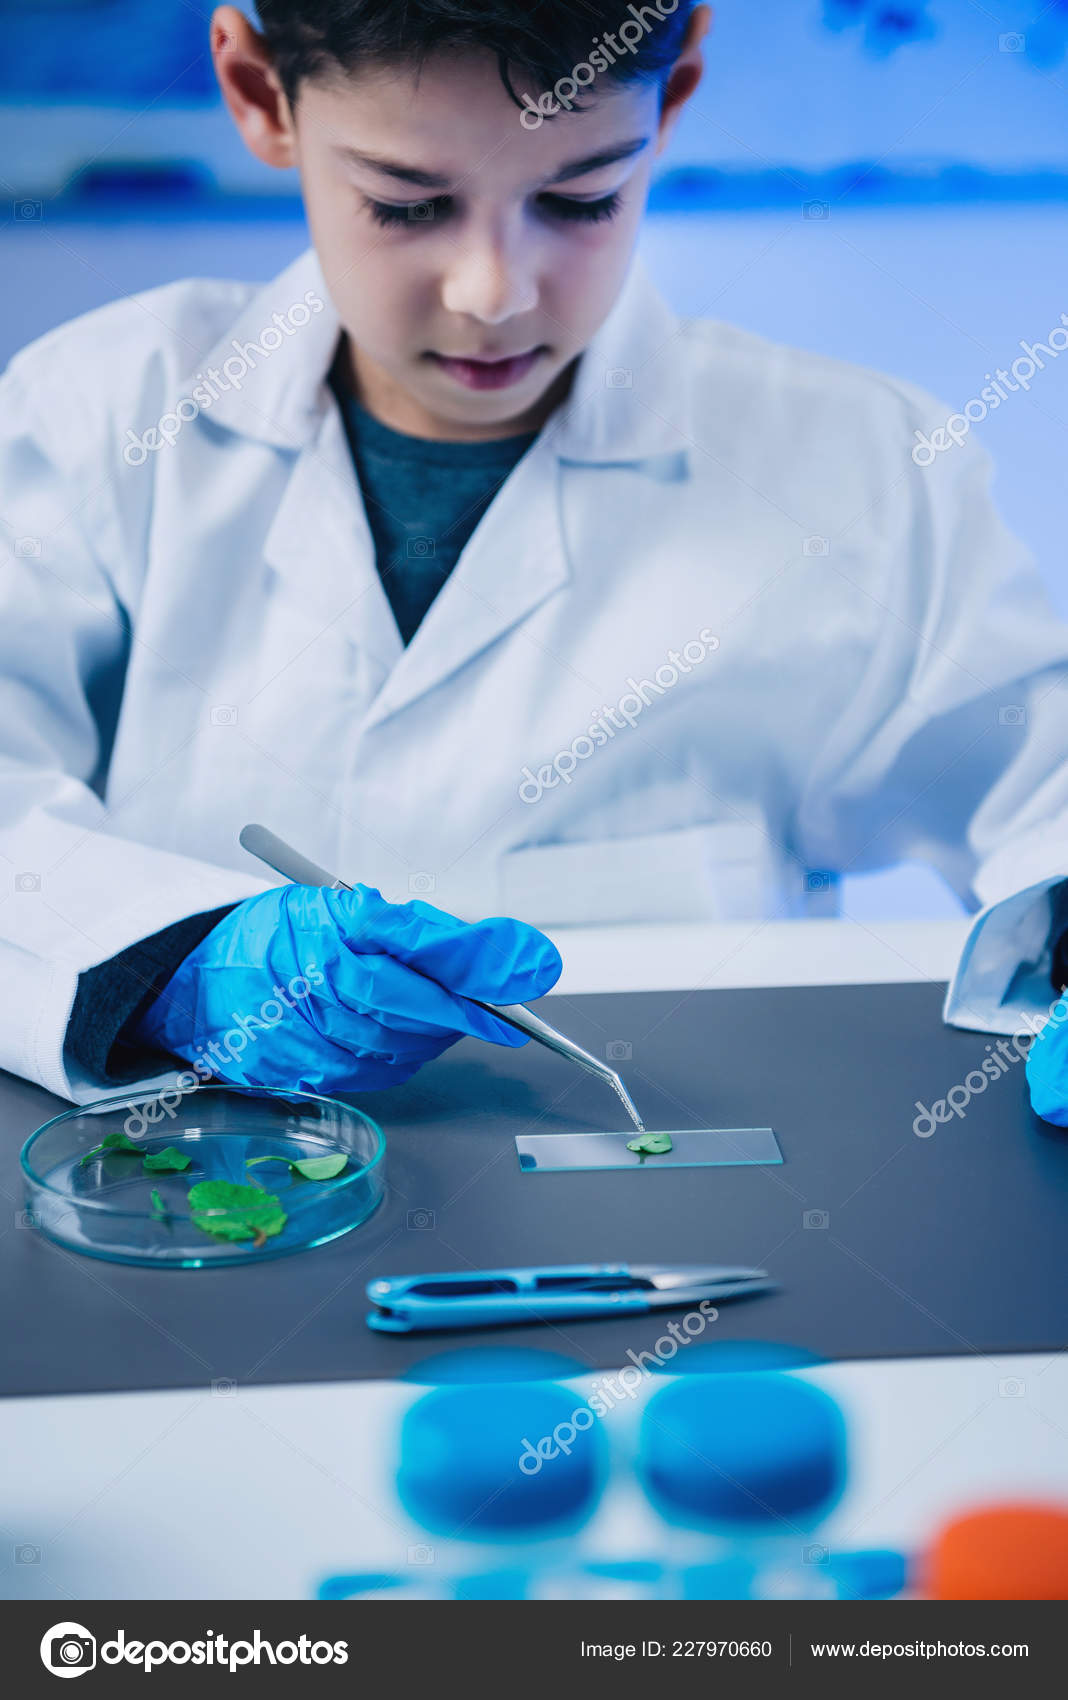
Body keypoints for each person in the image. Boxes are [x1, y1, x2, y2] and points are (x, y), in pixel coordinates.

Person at [2, 0, 1067, 1113]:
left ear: (676, 93)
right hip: (196, 1177)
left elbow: (1045, 783)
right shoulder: (97, 416)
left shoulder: (860, 469)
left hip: (675, 1189)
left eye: (581, 198)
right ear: (261, 95)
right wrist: (168, 964)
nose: (494, 293)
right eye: (406, 204)